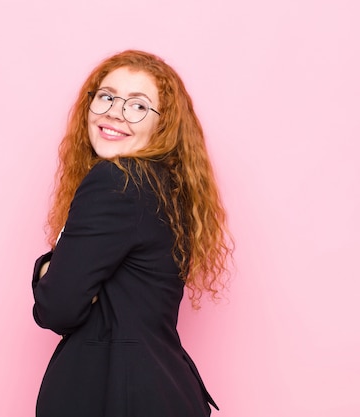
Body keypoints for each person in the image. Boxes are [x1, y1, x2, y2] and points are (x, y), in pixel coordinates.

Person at [31, 50, 232, 417]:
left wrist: (50, 268)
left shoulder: (115, 182)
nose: (114, 112)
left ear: (162, 125)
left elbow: (57, 308)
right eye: (106, 97)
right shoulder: (164, 189)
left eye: (138, 106)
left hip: (116, 397)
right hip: (162, 389)